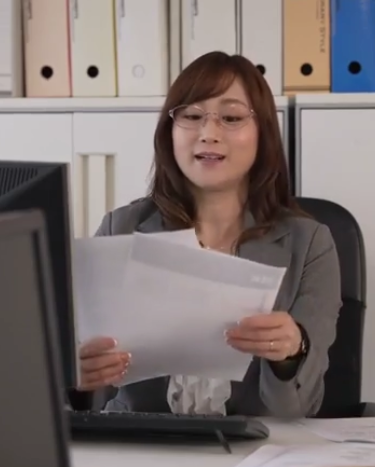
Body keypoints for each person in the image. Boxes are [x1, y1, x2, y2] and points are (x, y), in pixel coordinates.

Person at [74, 51, 341, 418]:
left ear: (262, 133)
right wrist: (77, 374)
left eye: (231, 118)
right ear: (169, 132)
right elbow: (83, 394)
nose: (209, 134)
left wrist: (292, 352)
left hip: (258, 446)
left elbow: (297, 410)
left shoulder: (309, 244)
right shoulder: (120, 230)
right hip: (142, 441)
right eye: (192, 116)